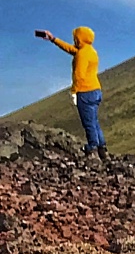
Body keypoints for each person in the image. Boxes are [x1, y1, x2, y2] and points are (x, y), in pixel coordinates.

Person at [34, 26, 108, 159]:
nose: (74, 39)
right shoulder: (90, 51)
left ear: (80, 38)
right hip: (96, 90)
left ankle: (92, 148)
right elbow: (71, 49)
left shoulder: (82, 54)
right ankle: (102, 149)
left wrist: (74, 92)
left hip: (85, 91)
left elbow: (79, 75)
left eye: (76, 37)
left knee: (88, 123)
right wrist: (53, 39)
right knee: (94, 121)